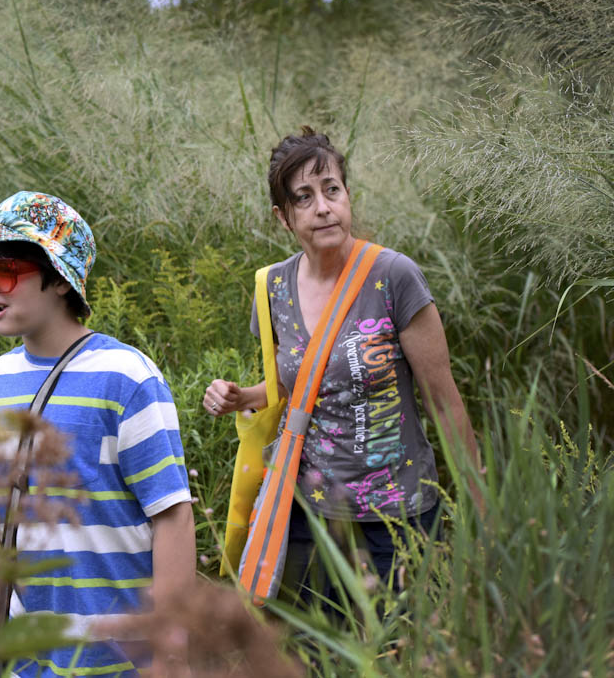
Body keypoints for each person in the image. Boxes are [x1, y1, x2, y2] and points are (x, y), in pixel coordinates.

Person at [204, 128, 482, 604]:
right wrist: (241, 397)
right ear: (283, 218)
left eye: (331, 189)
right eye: (304, 198)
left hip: (397, 521)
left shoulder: (394, 277)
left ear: (347, 195)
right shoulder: (271, 289)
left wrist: (483, 511)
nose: (323, 207)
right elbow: (302, 385)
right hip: (311, 520)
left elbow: (444, 401)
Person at [0, 191, 195, 678]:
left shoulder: (126, 377)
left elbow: (173, 516)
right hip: (27, 661)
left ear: (61, 279)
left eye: (3, 271)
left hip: (121, 661)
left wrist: (170, 653)